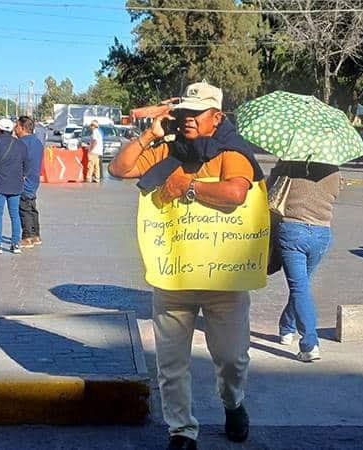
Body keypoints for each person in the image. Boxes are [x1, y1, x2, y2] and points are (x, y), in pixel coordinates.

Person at [109, 81, 265, 450]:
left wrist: (188, 187)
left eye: (197, 113)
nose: (188, 119)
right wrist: (151, 133)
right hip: (174, 274)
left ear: (217, 117)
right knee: (171, 361)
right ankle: (181, 429)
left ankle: (233, 402)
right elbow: (119, 168)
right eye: (185, 112)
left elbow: (236, 193)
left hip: (224, 279)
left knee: (231, 358)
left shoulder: (231, 151)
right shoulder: (168, 149)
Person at [267, 161, 341, 362]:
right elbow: (334, 193)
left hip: (292, 230)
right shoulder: (332, 169)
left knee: (299, 287)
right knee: (302, 285)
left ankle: (309, 344)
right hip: (321, 233)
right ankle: (287, 327)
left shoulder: (288, 164)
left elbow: (269, 190)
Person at [0, 118, 28, 254]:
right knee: (15, 215)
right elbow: (26, 167)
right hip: (16, 186)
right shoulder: (21, 145)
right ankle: (15, 244)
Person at [14, 116, 44, 248]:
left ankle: (27, 237)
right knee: (32, 208)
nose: (15, 129)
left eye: (16, 126)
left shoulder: (20, 143)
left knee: (24, 208)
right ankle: (36, 235)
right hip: (34, 179)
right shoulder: (37, 142)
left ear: (22, 127)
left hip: (24, 180)